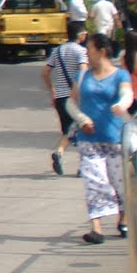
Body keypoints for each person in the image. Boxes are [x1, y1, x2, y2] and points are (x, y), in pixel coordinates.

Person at [68, 32, 132, 243]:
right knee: (94, 181)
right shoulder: (82, 76)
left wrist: (121, 105)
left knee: (119, 181)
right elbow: (71, 102)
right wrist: (81, 119)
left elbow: (127, 94)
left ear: (102, 51)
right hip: (89, 140)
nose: (87, 54)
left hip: (115, 138)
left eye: (90, 50)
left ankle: (123, 219)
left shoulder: (121, 75)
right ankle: (96, 228)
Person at [43, 27, 89, 175]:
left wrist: (52, 91)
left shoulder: (57, 51)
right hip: (75, 98)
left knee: (68, 130)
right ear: (80, 35)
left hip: (60, 97)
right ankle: (82, 165)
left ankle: (59, 152)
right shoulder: (81, 51)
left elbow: (45, 72)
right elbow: (83, 72)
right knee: (83, 130)